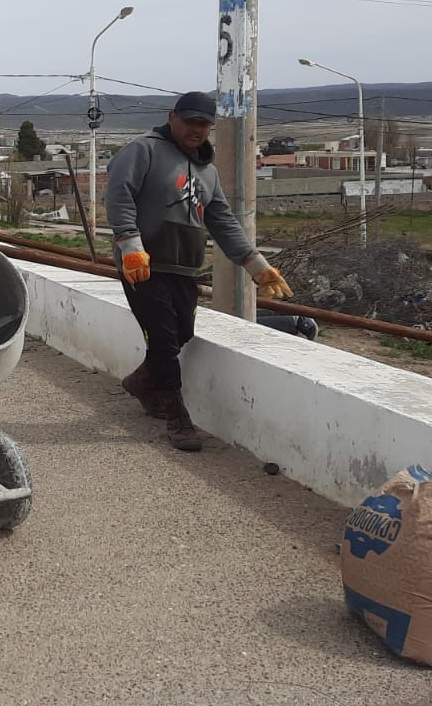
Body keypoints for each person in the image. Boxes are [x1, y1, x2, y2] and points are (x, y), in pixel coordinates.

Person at [104, 91, 294, 452]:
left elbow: (221, 218)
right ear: (172, 117)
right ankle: (177, 416)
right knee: (162, 338)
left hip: (184, 265)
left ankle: (142, 381)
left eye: (204, 124)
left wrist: (255, 264)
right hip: (143, 264)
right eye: (190, 121)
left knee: (182, 333)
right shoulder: (142, 150)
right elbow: (118, 194)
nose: (197, 129)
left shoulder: (208, 170)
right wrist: (129, 244)